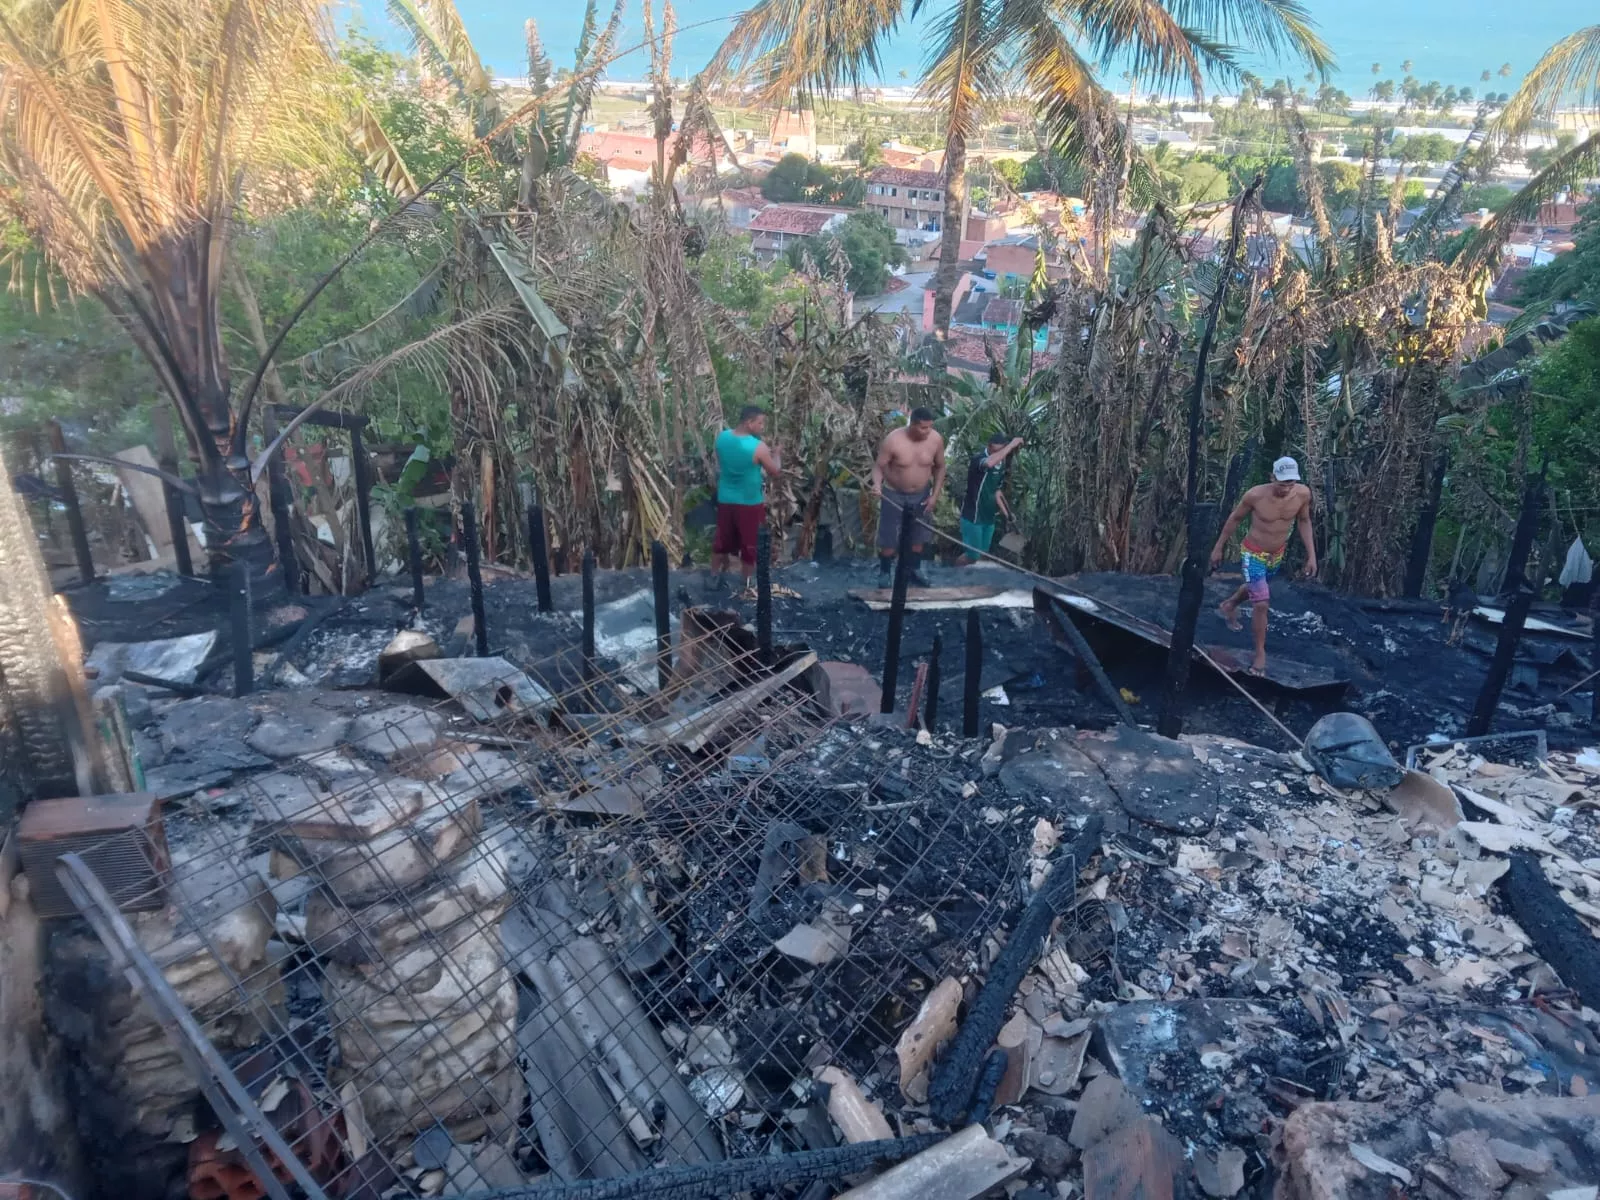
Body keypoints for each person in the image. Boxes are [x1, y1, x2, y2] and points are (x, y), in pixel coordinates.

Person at [1210, 455, 1317, 675]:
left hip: (1275, 554)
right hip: (1253, 553)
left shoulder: (1303, 494)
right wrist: (1218, 546)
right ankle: (1260, 652)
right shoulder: (1255, 495)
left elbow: (1304, 521)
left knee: (1255, 589)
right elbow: (1235, 519)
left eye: (1291, 483)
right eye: (1282, 483)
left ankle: (1229, 604)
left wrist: (1311, 556)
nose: (1287, 488)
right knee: (1261, 603)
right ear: (1272, 477)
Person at [870, 406, 946, 587]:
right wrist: (877, 485)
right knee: (889, 536)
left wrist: (934, 495)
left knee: (919, 535)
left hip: (921, 495)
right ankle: (885, 572)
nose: (927, 432)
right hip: (893, 494)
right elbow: (879, 467)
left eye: (929, 427)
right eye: (923, 428)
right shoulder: (893, 440)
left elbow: (940, 467)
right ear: (912, 425)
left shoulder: (935, 440)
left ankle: (915, 569)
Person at [711, 405, 782, 594]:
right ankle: (746, 583)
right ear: (749, 423)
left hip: (726, 498)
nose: (762, 426)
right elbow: (775, 471)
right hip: (749, 502)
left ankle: (713, 576)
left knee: (722, 539)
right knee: (750, 543)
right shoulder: (758, 447)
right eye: (760, 422)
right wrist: (776, 455)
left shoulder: (722, 438)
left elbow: (720, 462)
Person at [959, 433, 1023, 564]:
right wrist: (1011, 445)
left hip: (989, 517)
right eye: (995, 451)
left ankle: (973, 582)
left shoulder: (1001, 465)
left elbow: (996, 492)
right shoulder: (979, 459)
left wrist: (1007, 514)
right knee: (972, 556)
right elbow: (988, 464)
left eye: (1001, 451)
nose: (998, 454)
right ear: (989, 446)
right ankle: (953, 575)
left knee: (982, 554)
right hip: (973, 516)